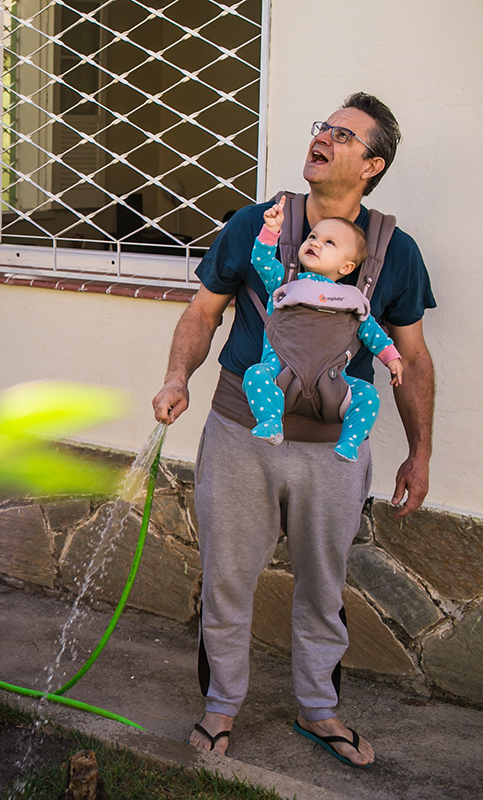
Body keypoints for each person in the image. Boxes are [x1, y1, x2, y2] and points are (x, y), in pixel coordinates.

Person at [151, 93, 436, 768]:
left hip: (333, 453)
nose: (324, 138)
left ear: (372, 164)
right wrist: (176, 378)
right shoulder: (258, 224)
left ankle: (318, 709)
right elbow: (202, 312)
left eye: (343, 135)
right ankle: (221, 706)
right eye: (323, 128)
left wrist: (421, 453)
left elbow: (412, 358)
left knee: (322, 584)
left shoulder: (395, 252)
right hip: (239, 432)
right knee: (227, 578)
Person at [243, 197, 404, 462]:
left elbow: (371, 331)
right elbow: (261, 261)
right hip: (281, 372)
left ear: (346, 267)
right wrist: (271, 230)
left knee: (368, 396)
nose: (316, 243)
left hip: (331, 382)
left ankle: (348, 443)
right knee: (255, 375)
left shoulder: (352, 299)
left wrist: (392, 358)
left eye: (329, 242)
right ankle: (271, 422)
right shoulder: (284, 282)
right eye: (313, 236)